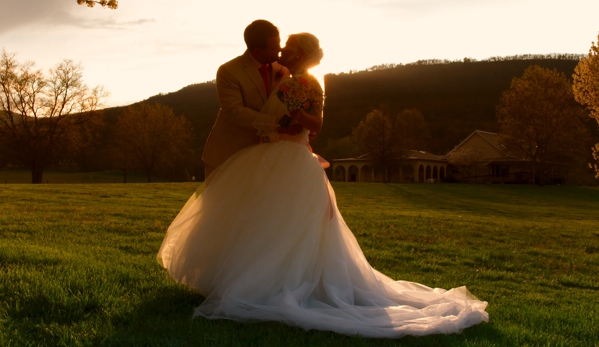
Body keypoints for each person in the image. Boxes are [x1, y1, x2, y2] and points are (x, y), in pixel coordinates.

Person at [157, 33, 488, 338]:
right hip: (267, 157)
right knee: (262, 221)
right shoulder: (282, 76)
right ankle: (253, 279)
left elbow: (317, 123)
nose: (281, 51)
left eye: (287, 47)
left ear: (298, 52)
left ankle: (285, 283)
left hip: (293, 161)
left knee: (292, 224)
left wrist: (298, 118)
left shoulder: (310, 83)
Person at [202, 20, 289, 180]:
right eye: (274, 47)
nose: (280, 49)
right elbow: (235, 112)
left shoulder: (283, 69)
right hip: (230, 154)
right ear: (257, 52)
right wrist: (278, 122)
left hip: (267, 158)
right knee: (223, 204)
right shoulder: (228, 71)